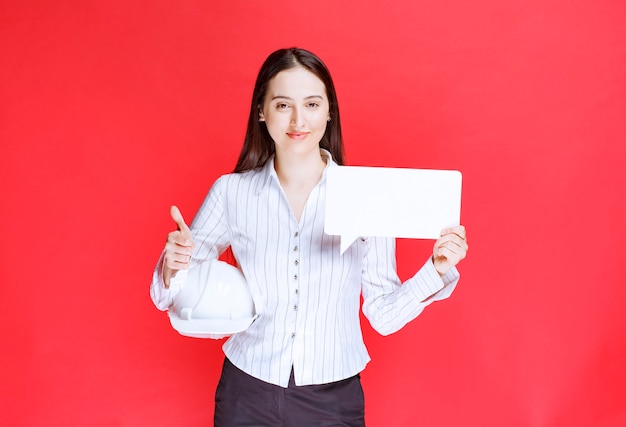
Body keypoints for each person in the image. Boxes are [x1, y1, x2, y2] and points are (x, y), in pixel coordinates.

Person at [150, 47, 468, 426]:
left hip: (333, 400)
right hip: (246, 392)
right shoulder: (230, 193)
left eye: (312, 104)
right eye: (283, 105)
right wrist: (174, 265)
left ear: (329, 110)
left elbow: (382, 316)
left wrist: (435, 269)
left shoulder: (366, 195)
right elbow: (170, 295)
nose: (299, 119)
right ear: (261, 111)